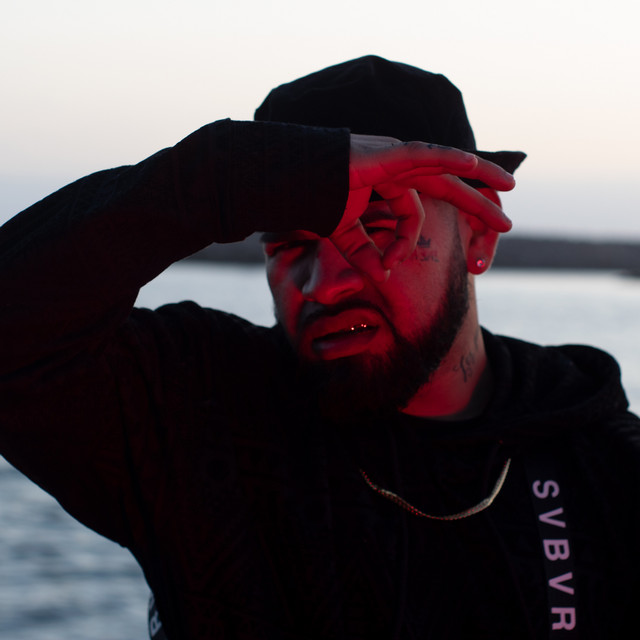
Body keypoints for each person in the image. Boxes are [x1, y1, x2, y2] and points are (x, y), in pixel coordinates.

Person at [0, 55, 638, 640]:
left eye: (378, 228)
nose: (324, 284)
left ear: (478, 234)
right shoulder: (197, 411)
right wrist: (228, 176)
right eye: (290, 244)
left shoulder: (605, 466)